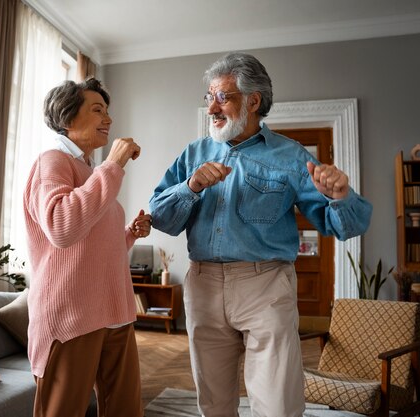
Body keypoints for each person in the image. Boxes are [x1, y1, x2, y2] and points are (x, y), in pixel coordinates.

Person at [149, 52, 372, 417]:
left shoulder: (291, 156)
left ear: (253, 101)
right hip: (203, 285)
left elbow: (345, 227)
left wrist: (341, 196)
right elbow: (162, 218)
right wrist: (189, 187)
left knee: (278, 405)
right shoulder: (193, 154)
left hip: (265, 286)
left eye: (223, 97)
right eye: (209, 97)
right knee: (214, 403)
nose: (212, 108)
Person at [23, 78, 151, 417]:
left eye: (108, 111)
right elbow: (62, 227)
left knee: (125, 410)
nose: (108, 119)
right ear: (67, 118)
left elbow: (92, 247)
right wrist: (113, 165)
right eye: (97, 110)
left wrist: (129, 234)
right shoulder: (52, 162)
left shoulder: (91, 171)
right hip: (71, 317)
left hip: (114, 313)